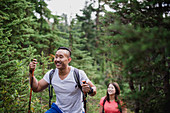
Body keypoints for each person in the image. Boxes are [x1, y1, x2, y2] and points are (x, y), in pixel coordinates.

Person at [29, 47, 97, 113]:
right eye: (56, 57)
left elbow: (94, 89)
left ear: (69, 60)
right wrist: (31, 72)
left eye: (61, 57)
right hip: (58, 109)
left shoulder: (78, 74)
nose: (57, 60)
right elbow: (36, 88)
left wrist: (89, 90)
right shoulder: (51, 74)